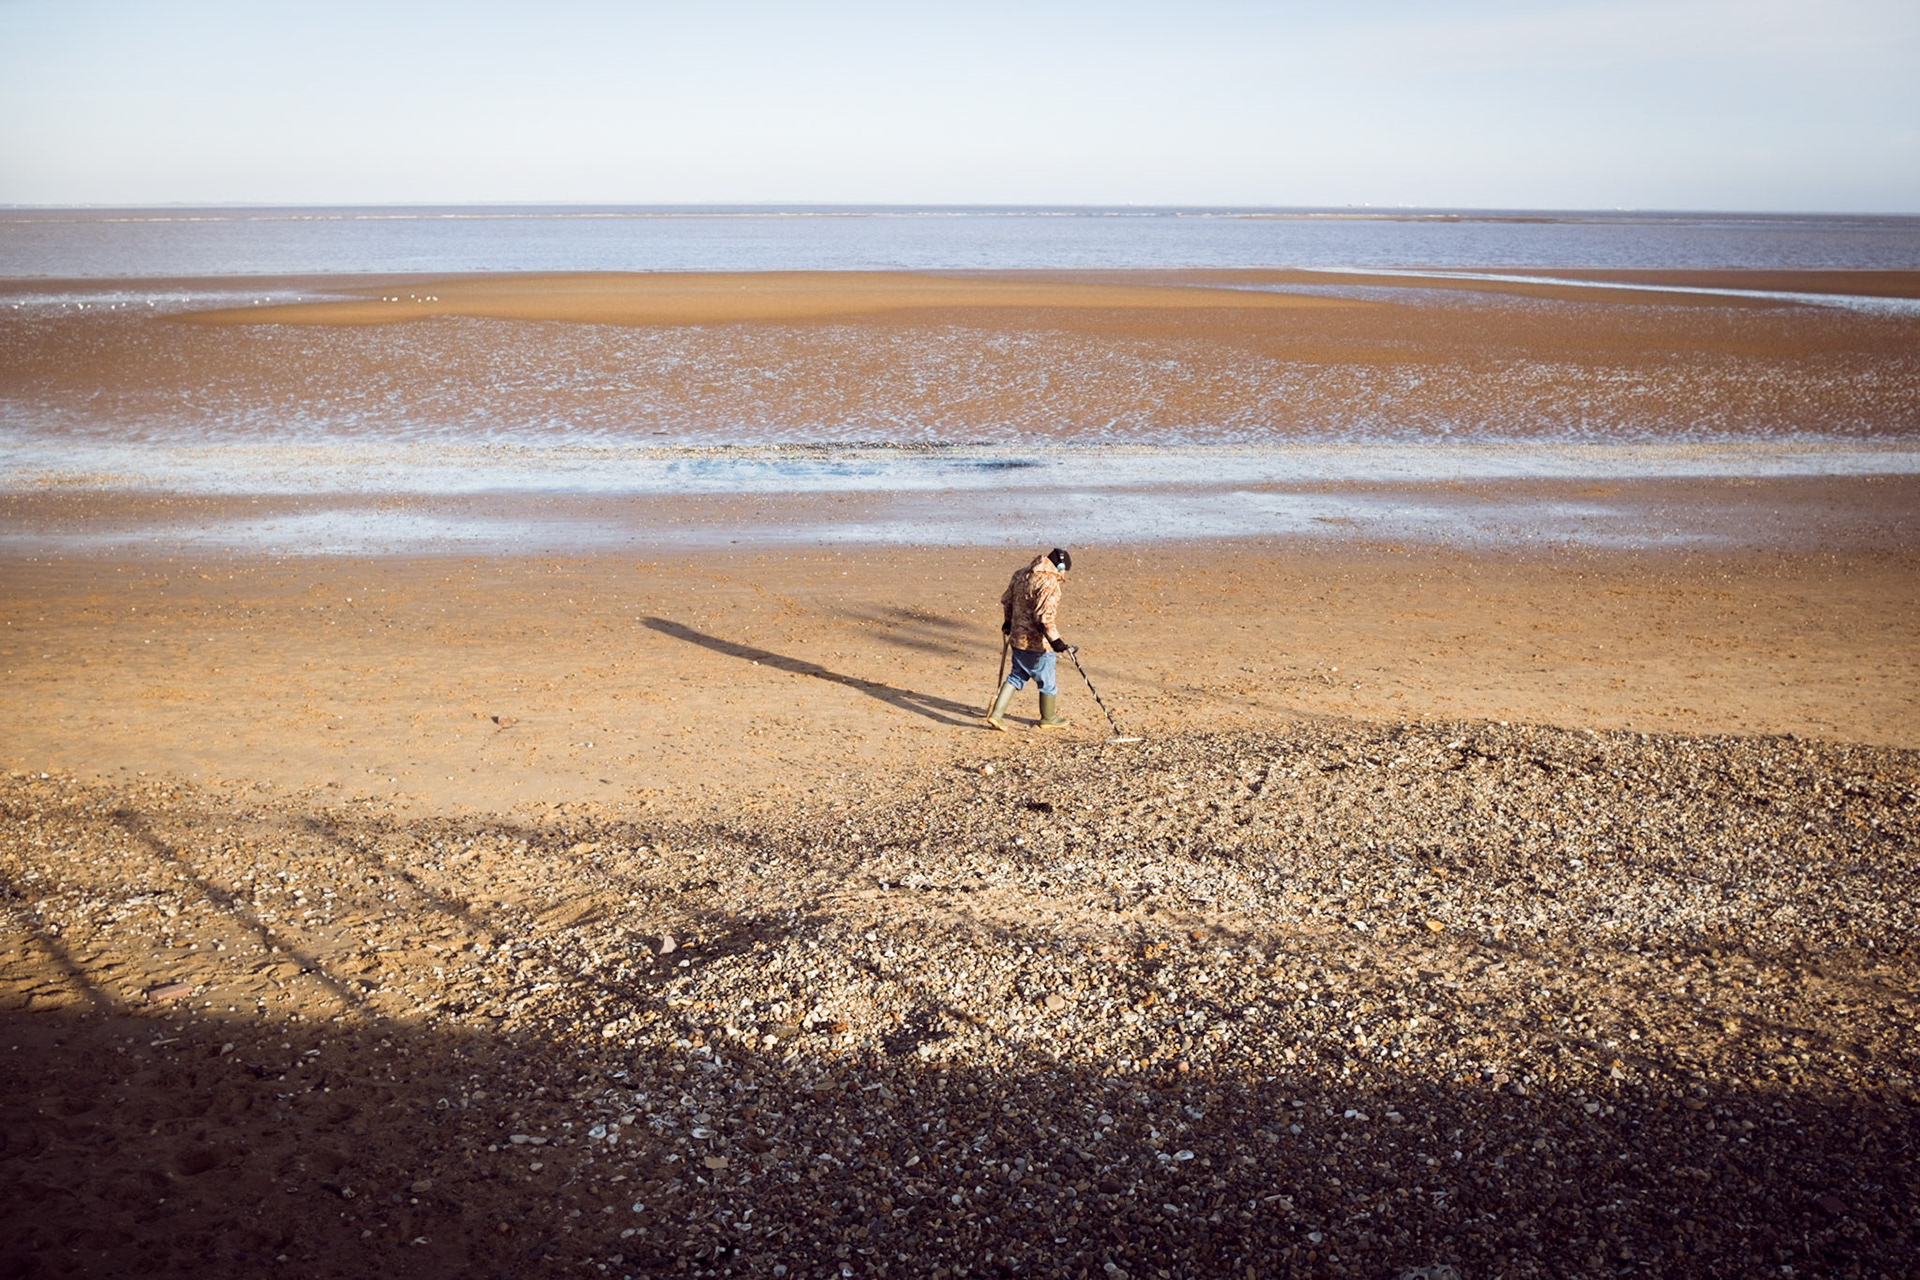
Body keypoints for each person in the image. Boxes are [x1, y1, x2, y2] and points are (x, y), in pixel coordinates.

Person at [986, 547, 1073, 731]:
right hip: (1038, 643)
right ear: (1060, 566)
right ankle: (1048, 718)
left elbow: (1007, 600)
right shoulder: (1049, 582)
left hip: (1017, 639)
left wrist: (1008, 623)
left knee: (1017, 675)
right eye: (1064, 570)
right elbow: (1044, 616)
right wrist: (1056, 642)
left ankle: (996, 714)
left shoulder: (1020, 575)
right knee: (1047, 681)